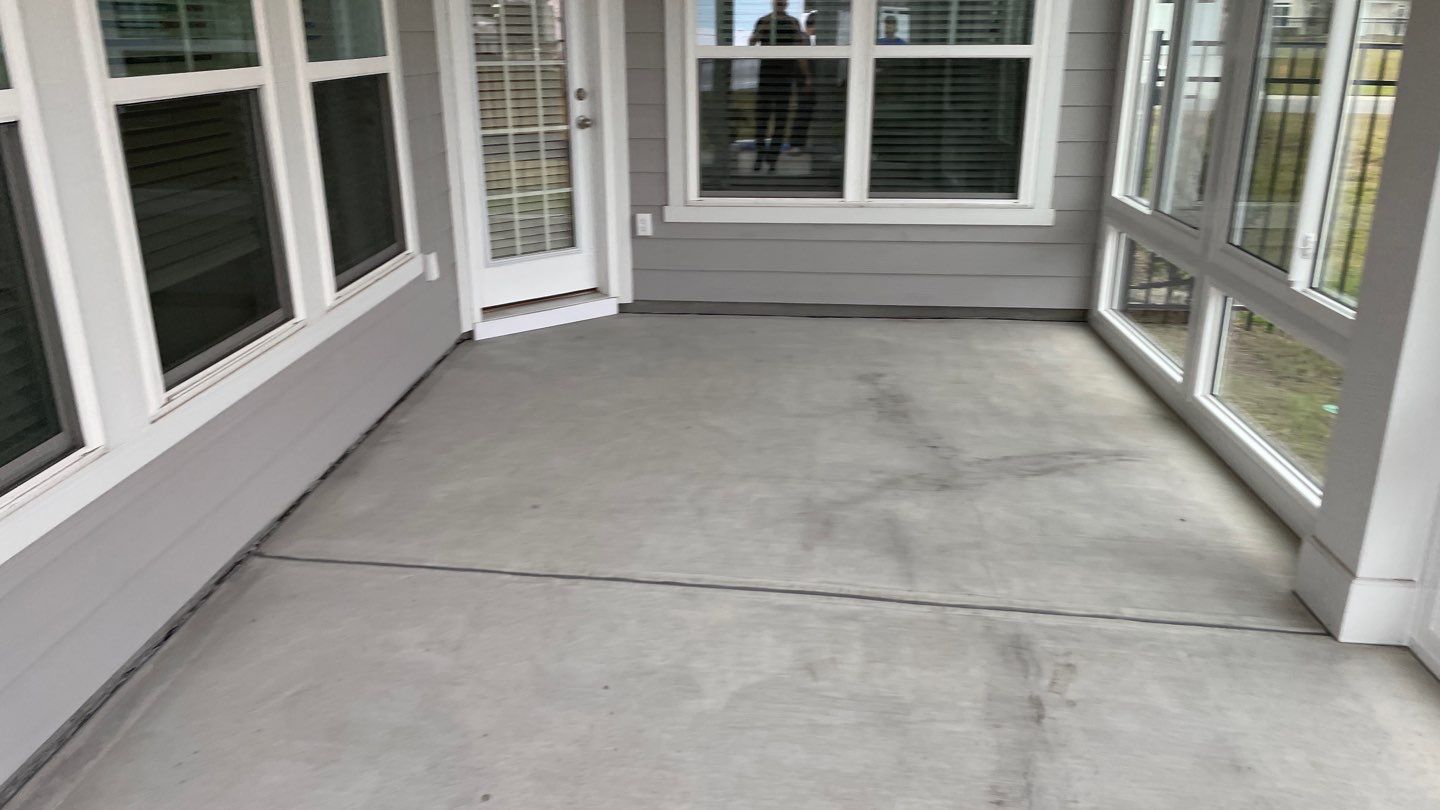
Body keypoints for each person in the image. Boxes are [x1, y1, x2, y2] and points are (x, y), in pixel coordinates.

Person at [748, 0, 809, 173]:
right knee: (761, 119)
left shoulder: (793, 22)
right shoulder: (763, 20)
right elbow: (751, 44)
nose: (780, 4)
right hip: (766, 76)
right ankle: (760, 156)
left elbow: (800, 47)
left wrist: (806, 76)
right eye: (778, 2)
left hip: (785, 76)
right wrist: (764, 27)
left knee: (781, 120)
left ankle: (772, 159)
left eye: (783, 2)